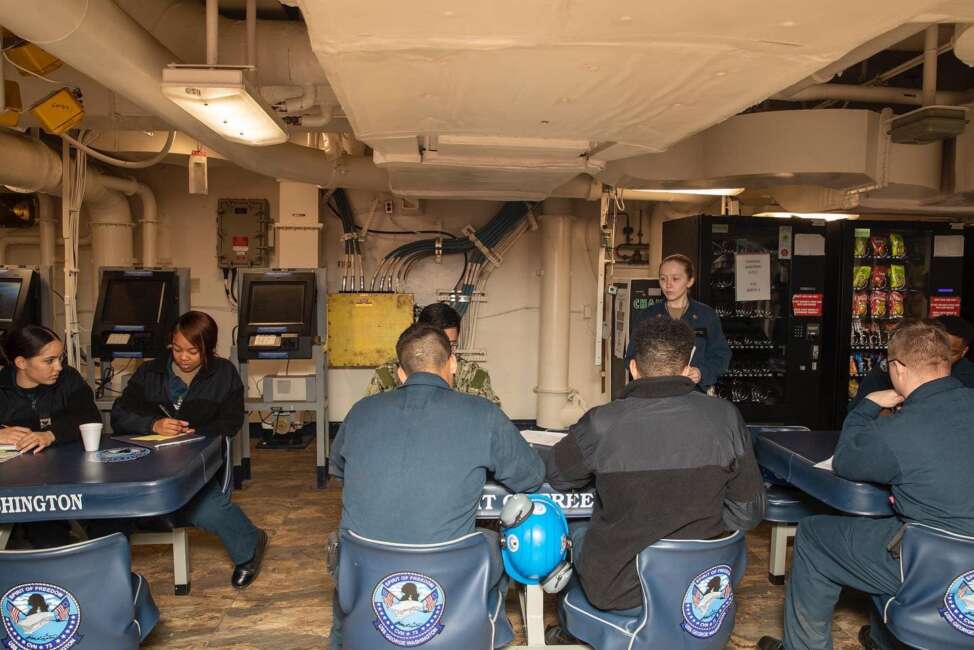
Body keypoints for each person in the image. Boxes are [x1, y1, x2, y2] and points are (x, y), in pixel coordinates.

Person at [545, 316, 764, 641]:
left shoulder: (602, 423)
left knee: (576, 531)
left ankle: (574, 627)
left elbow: (558, 475)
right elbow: (749, 512)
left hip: (620, 590)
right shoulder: (726, 418)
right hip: (702, 584)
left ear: (633, 368)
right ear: (688, 364)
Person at [759, 319, 974, 650]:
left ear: (897, 368)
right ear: (947, 361)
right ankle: (881, 637)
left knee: (815, 537)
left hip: (928, 563)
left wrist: (868, 406)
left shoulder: (897, 432)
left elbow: (845, 461)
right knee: (886, 526)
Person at [330, 322, 545, 648]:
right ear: (453, 363)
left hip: (364, 567)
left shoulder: (359, 413)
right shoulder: (483, 414)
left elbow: (340, 472)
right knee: (496, 543)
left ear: (401, 373)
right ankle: (480, 633)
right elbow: (530, 477)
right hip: (447, 570)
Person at [110, 311, 267, 588]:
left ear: (208, 348)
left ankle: (249, 547)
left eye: (193, 351)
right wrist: (154, 423)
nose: (183, 357)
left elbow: (231, 421)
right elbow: (120, 414)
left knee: (206, 510)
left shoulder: (223, 373)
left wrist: (200, 433)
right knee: (118, 506)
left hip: (199, 460)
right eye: (177, 349)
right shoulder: (150, 372)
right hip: (151, 461)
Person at [0, 325, 101, 548]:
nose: (58, 367)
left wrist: (50, 435)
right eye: (49, 361)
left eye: (61, 358)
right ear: (21, 363)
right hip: (15, 483)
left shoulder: (69, 379)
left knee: (50, 525)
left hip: (65, 477)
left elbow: (89, 417)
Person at [626, 254, 731, 392]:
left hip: (693, 393)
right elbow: (631, 356)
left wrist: (701, 372)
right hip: (654, 393)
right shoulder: (648, 315)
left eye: (675, 279)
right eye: (663, 279)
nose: (668, 285)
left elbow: (721, 356)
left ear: (690, 281)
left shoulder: (706, 316)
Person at [365, 302, 501, 406]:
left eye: (451, 344)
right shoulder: (387, 375)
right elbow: (371, 417)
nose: (445, 351)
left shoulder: (473, 376)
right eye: (437, 344)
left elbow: (492, 422)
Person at [848, 314, 974, 410]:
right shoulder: (896, 364)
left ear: (964, 352)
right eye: (936, 348)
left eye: (951, 353)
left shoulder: (968, 378)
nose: (941, 357)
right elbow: (858, 406)